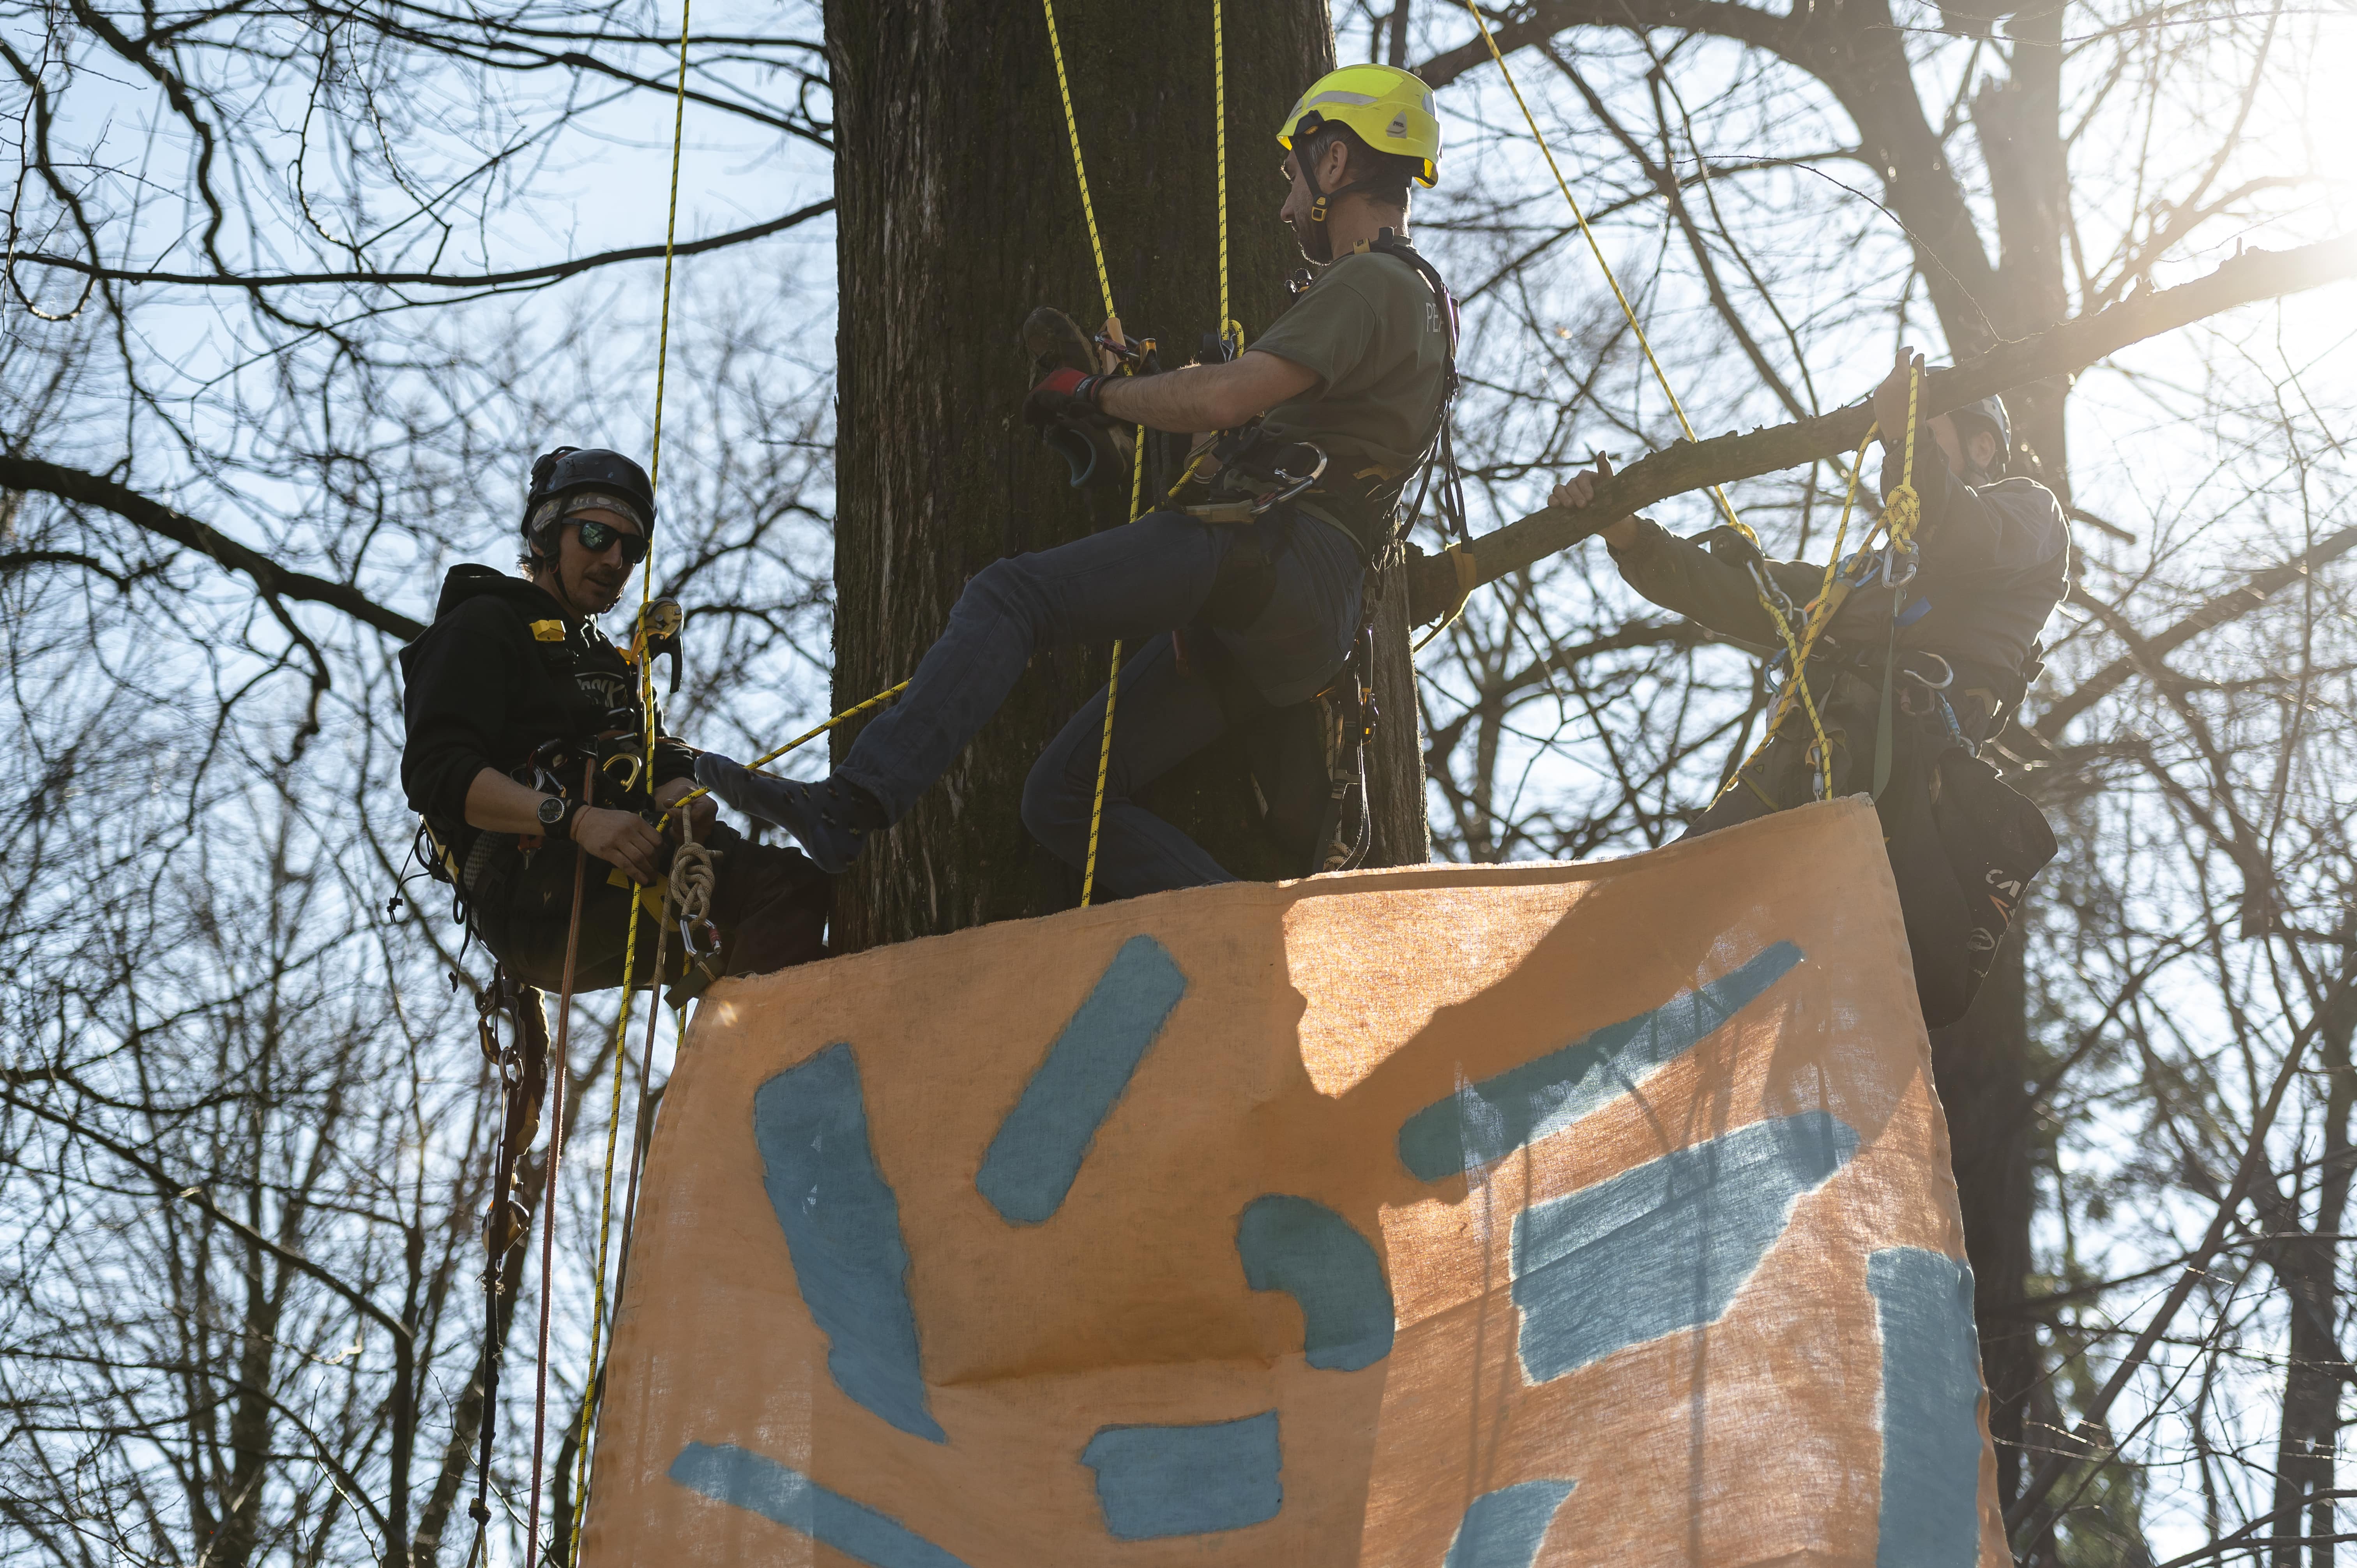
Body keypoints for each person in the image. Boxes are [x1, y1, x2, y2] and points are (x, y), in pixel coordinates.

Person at [694, 65, 1458, 899]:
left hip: (1276, 557)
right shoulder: (1422, 305)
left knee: (1011, 596)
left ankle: (854, 799)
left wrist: (1096, 393)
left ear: (1337, 164)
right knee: (1064, 800)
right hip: (1300, 607)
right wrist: (1160, 390)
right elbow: (1244, 428)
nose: (1285, 207)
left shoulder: (1370, 281)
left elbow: (1235, 393)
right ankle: (1251, 942)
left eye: (1293, 175)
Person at [1555, 347, 2069, 1023]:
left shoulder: (2031, 518)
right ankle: (1542, 1029)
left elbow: (1962, 534)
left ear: (1981, 443)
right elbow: (1753, 595)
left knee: (1803, 1006)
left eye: (1928, 428)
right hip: (1802, 762)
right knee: (1653, 917)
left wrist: (1899, 435)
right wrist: (1629, 536)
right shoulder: (1871, 575)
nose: (1909, 439)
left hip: (1893, 782)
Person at [400, 446, 831, 993]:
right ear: (546, 533)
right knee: (783, 888)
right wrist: (576, 820)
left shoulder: (610, 664)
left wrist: (678, 792)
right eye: (598, 537)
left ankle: (750, 1054)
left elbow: (652, 755)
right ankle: (746, 1064)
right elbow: (436, 774)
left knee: (800, 928)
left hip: (615, 870)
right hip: (536, 892)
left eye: (632, 550)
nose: (614, 562)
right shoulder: (484, 625)